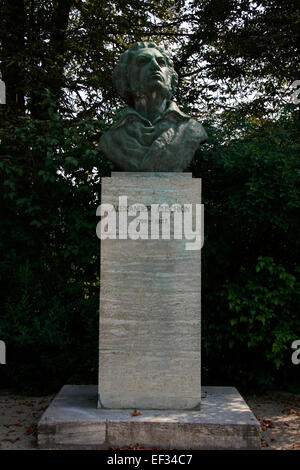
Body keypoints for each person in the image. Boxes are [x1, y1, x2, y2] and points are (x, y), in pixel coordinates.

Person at [99, 41, 207, 172]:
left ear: (170, 77)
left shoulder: (190, 130)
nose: (155, 66)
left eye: (161, 63)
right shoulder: (111, 140)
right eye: (143, 61)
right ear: (126, 77)